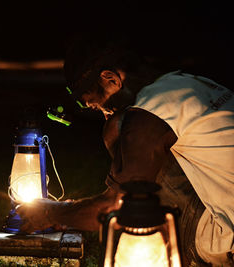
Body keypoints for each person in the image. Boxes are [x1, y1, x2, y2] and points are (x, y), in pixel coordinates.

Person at [16, 35, 234, 267]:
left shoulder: (149, 115)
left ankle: (183, 253)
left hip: (227, 238)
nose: (96, 110)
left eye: (88, 102)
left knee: (116, 129)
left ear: (110, 80)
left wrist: (51, 213)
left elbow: (115, 209)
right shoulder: (189, 83)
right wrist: (71, 213)